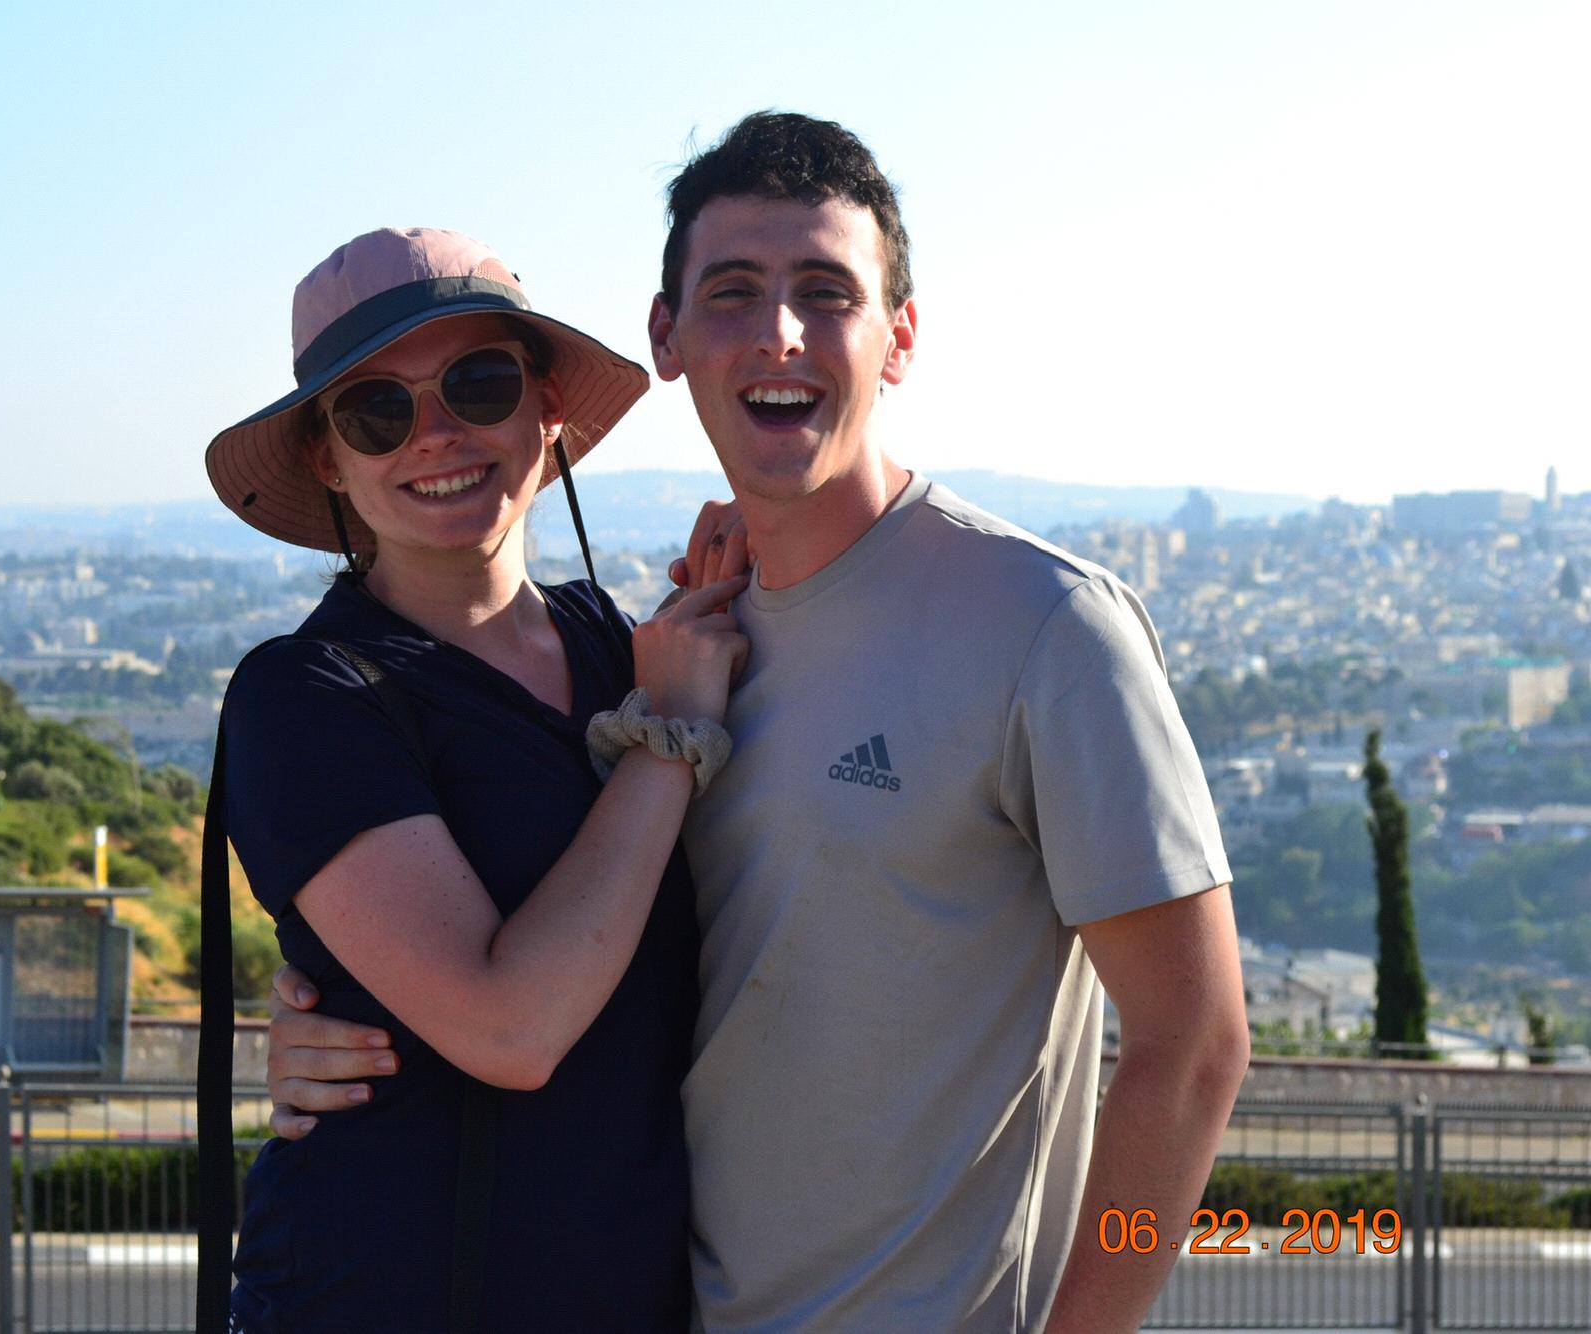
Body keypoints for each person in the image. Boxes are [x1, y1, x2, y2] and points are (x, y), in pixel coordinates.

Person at [267, 115, 1249, 1331]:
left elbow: (1194, 1045)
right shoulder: (678, 651)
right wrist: (335, 990)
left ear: (897, 337)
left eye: (823, 292)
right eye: (731, 291)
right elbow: (541, 946)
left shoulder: (1041, 628)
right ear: (665, 338)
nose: (777, 332)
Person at [201, 226, 749, 1332]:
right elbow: (508, 1028)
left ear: (546, 406)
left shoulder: (616, 645)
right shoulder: (307, 696)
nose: (435, 434)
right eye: (376, 411)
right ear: (328, 459)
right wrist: (665, 739)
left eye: (478, 382)